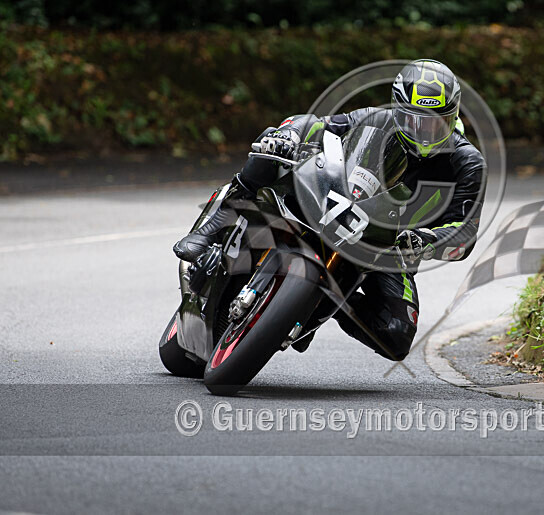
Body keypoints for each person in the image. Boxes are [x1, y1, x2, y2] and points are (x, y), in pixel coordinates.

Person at [173, 59, 485, 361]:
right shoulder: (376, 119)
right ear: (397, 109)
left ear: (453, 115)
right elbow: (322, 125)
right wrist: (289, 134)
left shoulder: (467, 163)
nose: (422, 131)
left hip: (388, 247)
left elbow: (465, 231)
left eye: (434, 123)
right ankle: (214, 224)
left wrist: (422, 240)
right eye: (412, 119)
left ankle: (328, 300)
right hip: (332, 202)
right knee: (271, 150)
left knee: (396, 335)